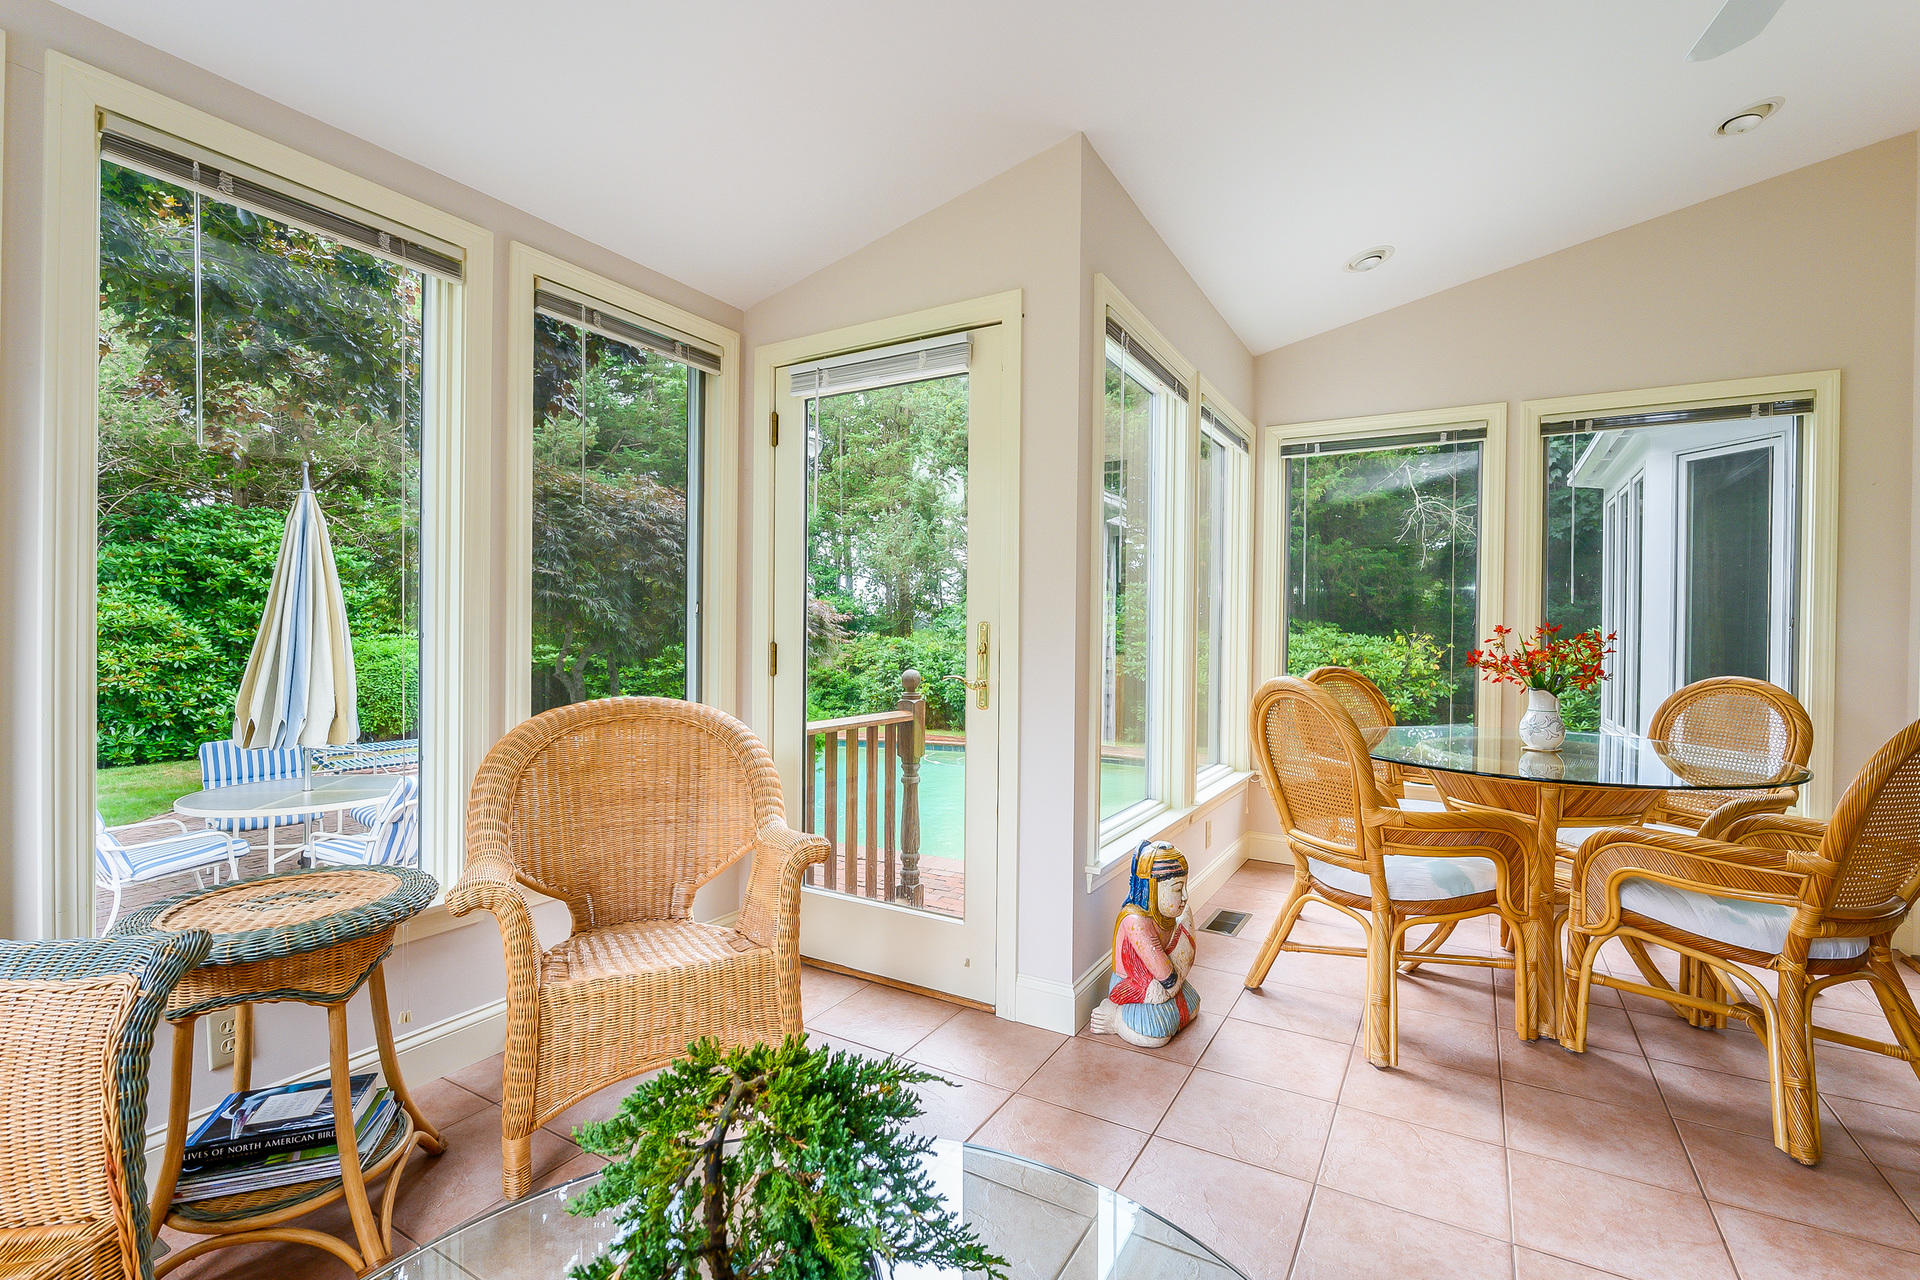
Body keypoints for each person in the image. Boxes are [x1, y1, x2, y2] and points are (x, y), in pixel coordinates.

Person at [1088, 841, 1200, 1048]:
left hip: (1162, 985)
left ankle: (1154, 1014)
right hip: (1134, 986)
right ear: (1153, 889)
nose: (1185, 896)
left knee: (1192, 1007)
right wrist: (1171, 985)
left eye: (1185, 886)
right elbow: (1168, 978)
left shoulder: (1169, 915)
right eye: (1177, 889)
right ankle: (1115, 1017)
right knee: (1156, 1035)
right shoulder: (1135, 921)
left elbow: (1175, 974)